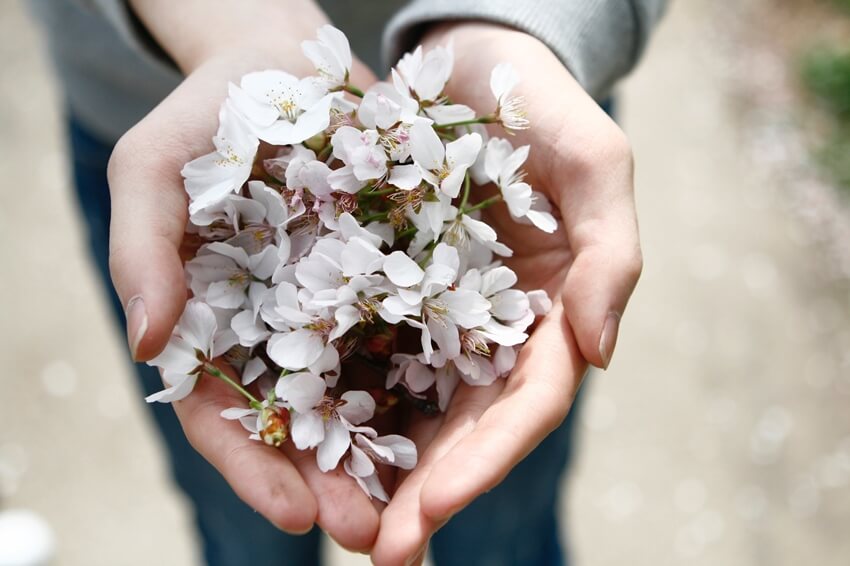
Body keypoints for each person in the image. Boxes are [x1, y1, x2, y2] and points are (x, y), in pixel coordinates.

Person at [29, 1, 665, 564]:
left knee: (502, 532)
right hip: (149, 106)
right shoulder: (264, 196)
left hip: (509, 75)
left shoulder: (459, 177)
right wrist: (237, 21)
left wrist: (531, 27)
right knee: (247, 534)